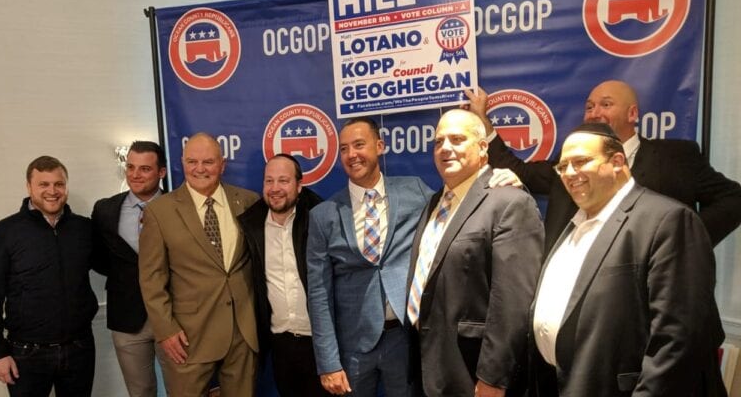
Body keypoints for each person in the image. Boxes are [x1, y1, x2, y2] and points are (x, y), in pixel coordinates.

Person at [530, 122, 726, 396]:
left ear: (618, 161)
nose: (570, 173)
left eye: (581, 161)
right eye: (563, 166)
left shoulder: (667, 220)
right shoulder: (573, 223)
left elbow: (678, 341)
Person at [469, 81, 741, 249]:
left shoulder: (676, 157)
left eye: (606, 104)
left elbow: (733, 199)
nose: (595, 112)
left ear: (632, 113)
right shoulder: (569, 167)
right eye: (589, 107)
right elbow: (521, 171)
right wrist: (482, 118)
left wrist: (687, 240)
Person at [406, 109, 544, 397]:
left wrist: (494, 378)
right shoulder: (435, 202)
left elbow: (512, 303)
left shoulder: (509, 202)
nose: (446, 148)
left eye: (457, 139)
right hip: (429, 366)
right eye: (438, 141)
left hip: (474, 374)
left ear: (483, 147)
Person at [307, 117, 434, 397]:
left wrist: (493, 180)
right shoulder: (323, 216)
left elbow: (455, 211)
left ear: (379, 146)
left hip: (404, 339)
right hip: (353, 348)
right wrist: (328, 362)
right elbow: (318, 293)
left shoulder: (414, 190)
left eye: (359, 145)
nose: (351, 154)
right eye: (344, 149)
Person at [138, 132, 259, 397]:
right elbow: (151, 278)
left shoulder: (249, 202)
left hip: (242, 332)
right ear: (182, 163)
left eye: (208, 162)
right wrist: (166, 330)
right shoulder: (159, 212)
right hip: (188, 337)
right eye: (192, 162)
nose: (200, 169)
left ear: (222, 164)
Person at [0, 155, 101, 396]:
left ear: (66, 186)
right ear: (29, 187)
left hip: (79, 349)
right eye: (43, 184)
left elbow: (112, 266)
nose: (52, 191)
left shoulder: (84, 229)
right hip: (26, 354)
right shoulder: (3, 233)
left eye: (59, 184)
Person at [237, 153, 328, 397]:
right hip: (280, 343)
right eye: (269, 181)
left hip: (320, 342)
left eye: (283, 181)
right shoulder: (250, 224)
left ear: (299, 186)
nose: (275, 188)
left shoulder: (320, 217)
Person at [91, 141, 169, 397]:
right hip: (127, 319)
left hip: (175, 318)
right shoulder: (105, 210)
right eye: (131, 167)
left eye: (145, 169)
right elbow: (99, 258)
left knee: (185, 389)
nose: (135, 174)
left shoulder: (180, 207)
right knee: (140, 392)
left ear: (161, 172)